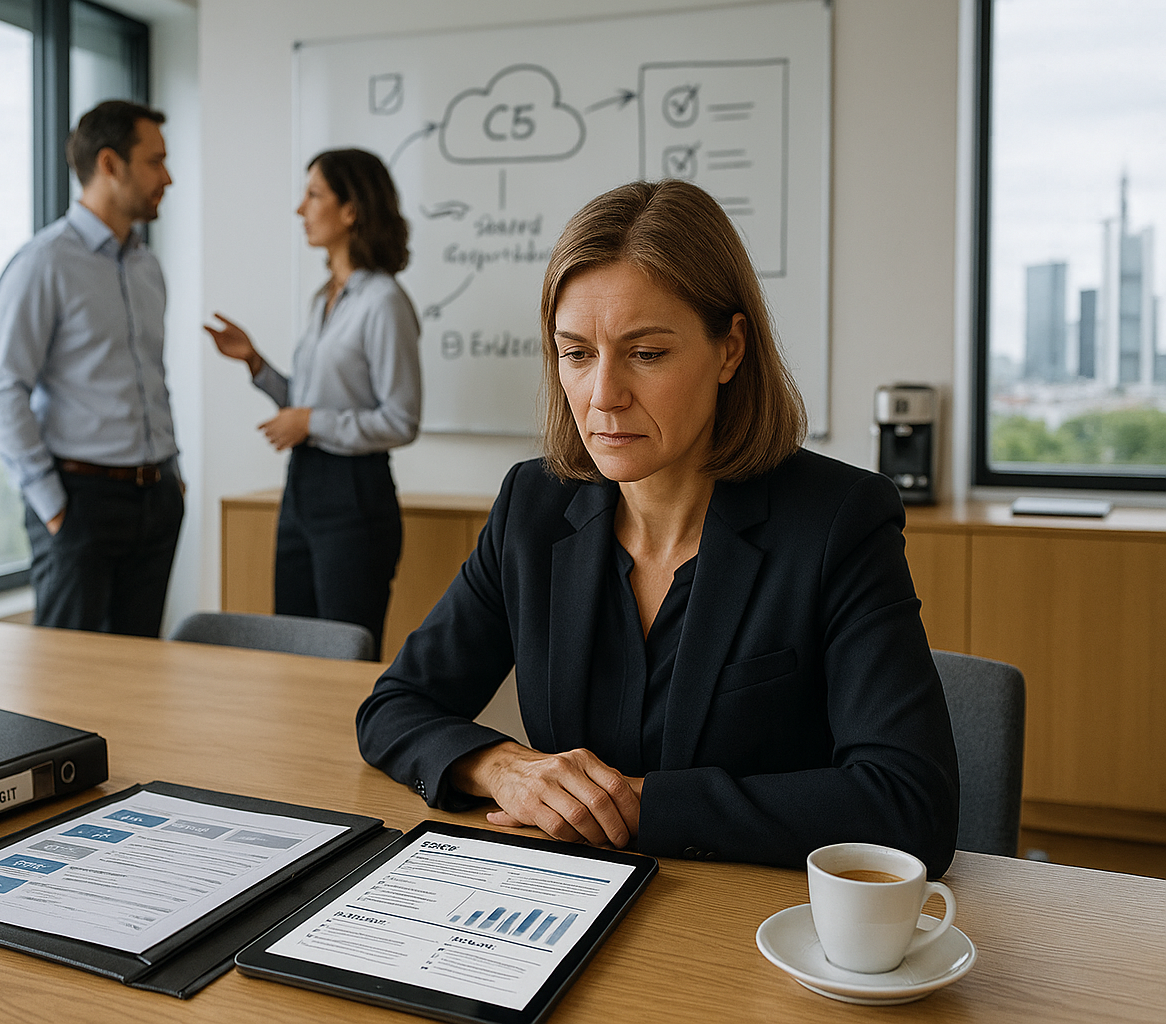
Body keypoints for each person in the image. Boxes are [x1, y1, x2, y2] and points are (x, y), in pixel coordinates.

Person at [356, 179, 960, 875]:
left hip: (749, 928)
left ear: (731, 349)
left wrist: (635, 805)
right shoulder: (534, 504)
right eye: (577, 353)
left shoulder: (837, 521)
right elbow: (395, 707)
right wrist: (502, 768)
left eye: (646, 354)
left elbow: (911, 807)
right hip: (570, 899)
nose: (603, 396)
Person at [0, 100, 183, 636]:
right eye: (155, 161)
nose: (169, 176)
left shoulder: (148, 266)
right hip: (80, 504)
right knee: (66, 690)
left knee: (138, 680)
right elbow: (4, 392)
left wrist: (172, 477)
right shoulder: (42, 264)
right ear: (110, 165)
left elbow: (151, 379)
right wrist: (53, 509)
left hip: (155, 498)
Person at [206, 149, 422, 652]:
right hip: (301, 491)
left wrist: (311, 421)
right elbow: (304, 404)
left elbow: (401, 419)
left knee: (343, 660)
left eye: (313, 194)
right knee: (293, 652)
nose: (299, 208)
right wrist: (256, 364)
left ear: (351, 210)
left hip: (354, 496)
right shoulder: (323, 298)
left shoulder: (384, 301)